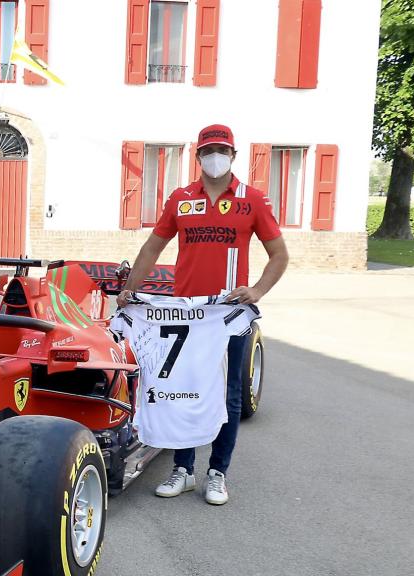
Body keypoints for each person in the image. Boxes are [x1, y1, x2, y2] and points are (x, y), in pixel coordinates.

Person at [117, 124, 289, 505]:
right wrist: (130, 288)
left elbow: (280, 255)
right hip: (185, 316)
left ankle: (217, 473)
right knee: (184, 390)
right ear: (198, 157)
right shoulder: (180, 199)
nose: (215, 156)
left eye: (222, 150)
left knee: (228, 398)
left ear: (233, 155)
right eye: (208, 150)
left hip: (228, 315)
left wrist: (257, 291)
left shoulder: (252, 200)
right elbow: (151, 248)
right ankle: (183, 469)